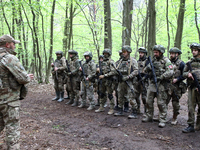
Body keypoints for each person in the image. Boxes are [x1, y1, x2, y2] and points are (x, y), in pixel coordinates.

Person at [0, 34, 34, 149]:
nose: (14, 46)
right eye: (13, 44)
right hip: (9, 101)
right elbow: (23, 78)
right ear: (7, 44)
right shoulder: (9, 58)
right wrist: (28, 77)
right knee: (12, 130)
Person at [142, 45, 174, 128]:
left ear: (161, 52)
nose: (155, 54)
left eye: (156, 52)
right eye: (154, 52)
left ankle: (162, 119)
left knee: (161, 103)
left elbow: (170, 71)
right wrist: (149, 67)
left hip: (162, 84)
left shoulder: (166, 60)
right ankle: (149, 116)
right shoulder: (152, 60)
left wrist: (162, 76)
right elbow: (145, 70)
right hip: (152, 83)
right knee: (148, 101)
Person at [114, 45, 139, 119]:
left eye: (124, 52)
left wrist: (128, 77)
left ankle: (134, 112)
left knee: (131, 97)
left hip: (129, 81)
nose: (123, 53)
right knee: (120, 96)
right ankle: (120, 110)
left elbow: (136, 71)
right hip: (121, 81)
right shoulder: (120, 61)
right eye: (122, 52)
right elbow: (115, 69)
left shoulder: (132, 61)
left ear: (128, 52)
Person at [182, 43, 200, 133]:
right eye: (192, 50)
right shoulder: (189, 62)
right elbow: (183, 73)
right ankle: (190, 125)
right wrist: (187, 74)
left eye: (195, 50)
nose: (193, 52)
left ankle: (198, 125)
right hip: (192, 87)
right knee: (191, 106)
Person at [167, 47, 186, 125]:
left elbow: (184, 75)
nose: (171, 55)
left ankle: (174, 117)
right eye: (170, 53)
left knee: (175, 103)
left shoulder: (181, 63)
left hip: (177, 86)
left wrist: (177, 79)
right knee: (164, 101)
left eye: (172, 54)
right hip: (168, 85)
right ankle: (162, 116)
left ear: (177, 54)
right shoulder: (167, 62)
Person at [95, 49, 116, 115]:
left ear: (109, 54)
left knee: (110, 94)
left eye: (106, 53)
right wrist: (97, 70)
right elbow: (99, 71)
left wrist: (105, 75)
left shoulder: (111, 61)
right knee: (101, 93)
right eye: (104, 53)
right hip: (102, 81)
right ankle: (101, 106)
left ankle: (112, 108)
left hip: (108, 80)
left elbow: (114, 71)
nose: (105, 55)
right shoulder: (102, 62)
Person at [134, 47, 149, 114]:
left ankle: (146, 111)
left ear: (145, 54)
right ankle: (137, 109)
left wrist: (144, 77)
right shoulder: (137, 61)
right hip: (138, 81)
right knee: (136, 96)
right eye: (140, 53)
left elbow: (149, 72)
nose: (140, 54)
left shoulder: (147, 61)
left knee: (144, 97)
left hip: (145, 81)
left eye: (142, 53)